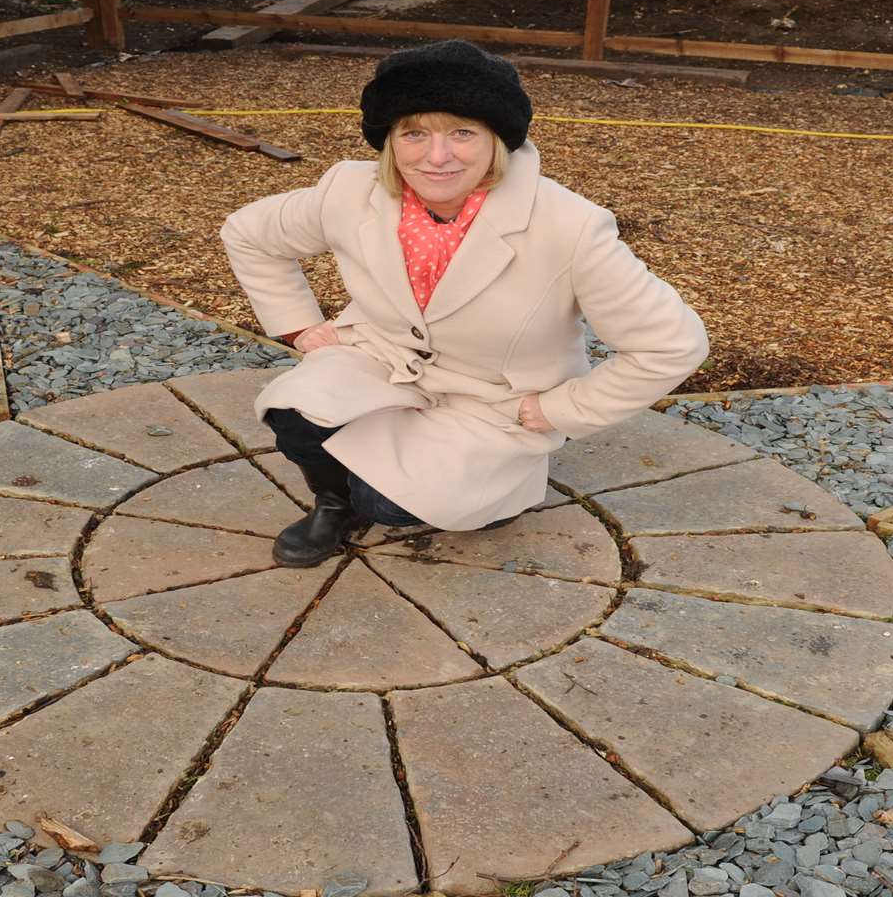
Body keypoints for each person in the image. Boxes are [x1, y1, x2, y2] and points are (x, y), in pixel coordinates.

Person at [221, 40, 709, 568]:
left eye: (461, 132)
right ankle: (335, 504)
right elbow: (250, 234)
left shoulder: (569, 226)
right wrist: (298, 327)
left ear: (495, 137)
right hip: (383, 358)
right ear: (390, 140)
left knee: (384, 503)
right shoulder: (348, 190)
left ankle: (493, 492)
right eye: (414, 133)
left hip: (496, 399)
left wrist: (560, 409)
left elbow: (670, 344)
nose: (437, 156)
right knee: (293, 411)